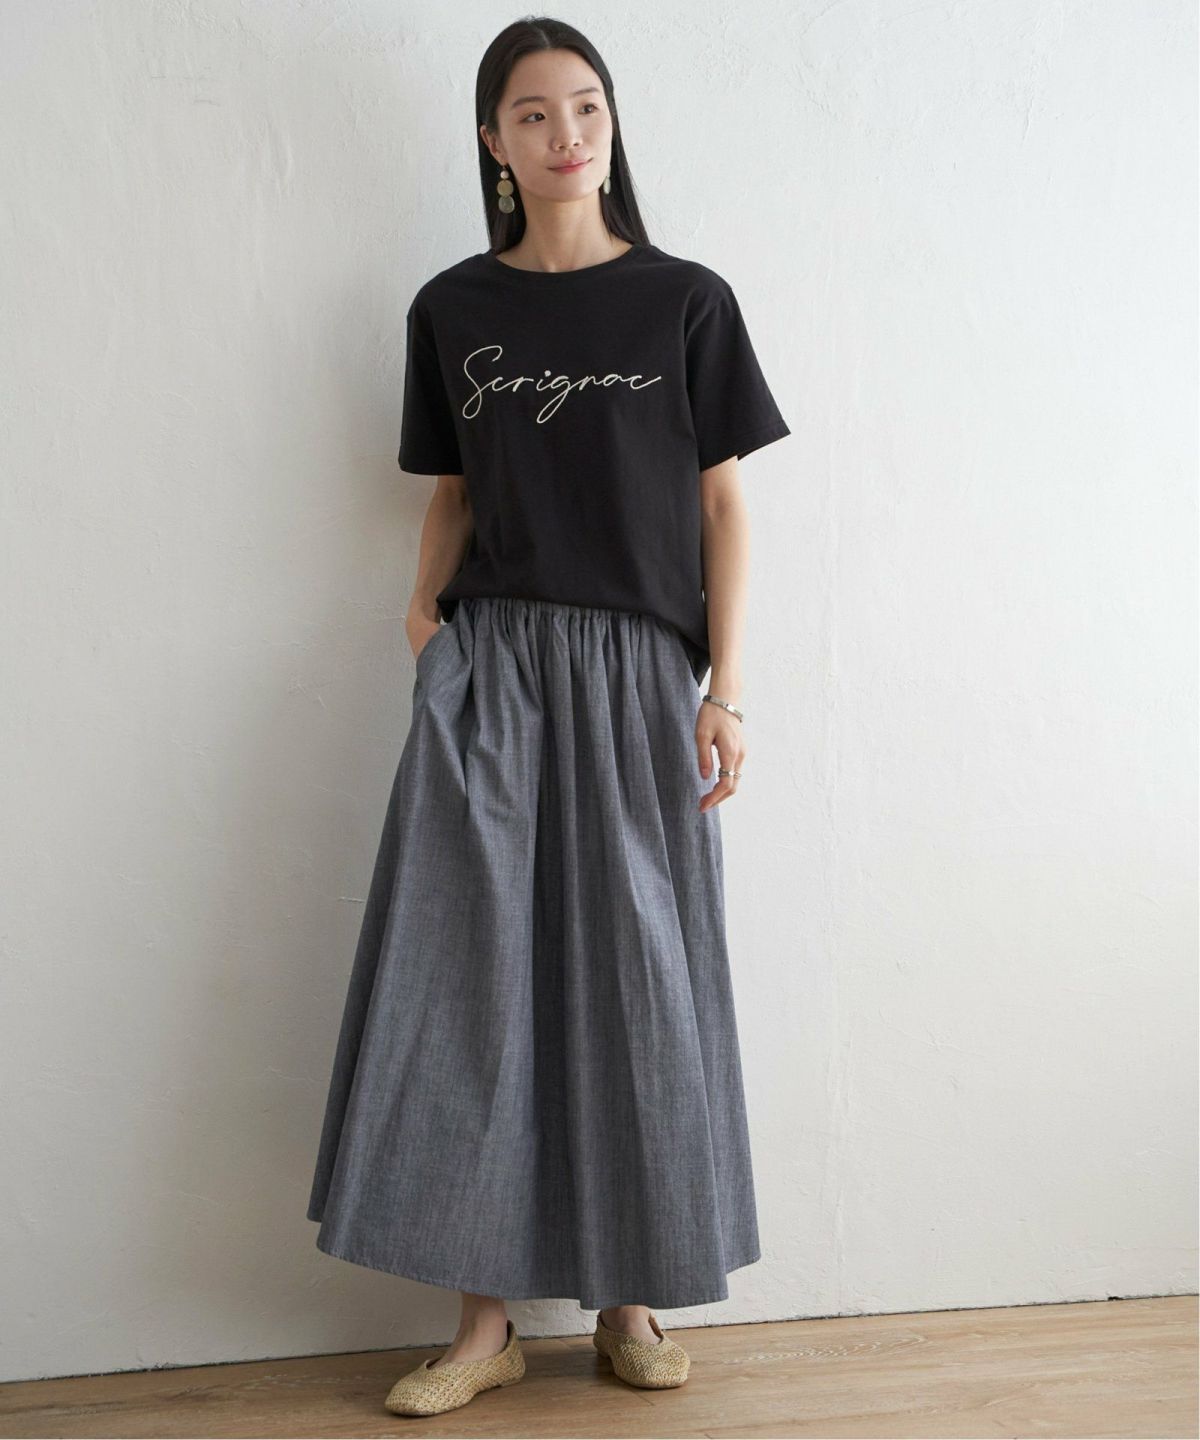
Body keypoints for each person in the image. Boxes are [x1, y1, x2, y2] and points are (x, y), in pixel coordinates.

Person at [305, 15, 791, 1418]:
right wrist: (425, 620)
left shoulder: (685, 302)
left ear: (611, 122)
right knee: (471, 976)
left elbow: (721, 506)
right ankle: (484, 1326)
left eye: (586, 106)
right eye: (533, 113)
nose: (566, 133)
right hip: (496, 666)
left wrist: (726, 688)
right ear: (494, 143)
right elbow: (449, 491)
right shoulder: (453, 308)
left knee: (636, 976)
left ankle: (629, 1299)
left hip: (639, 676)